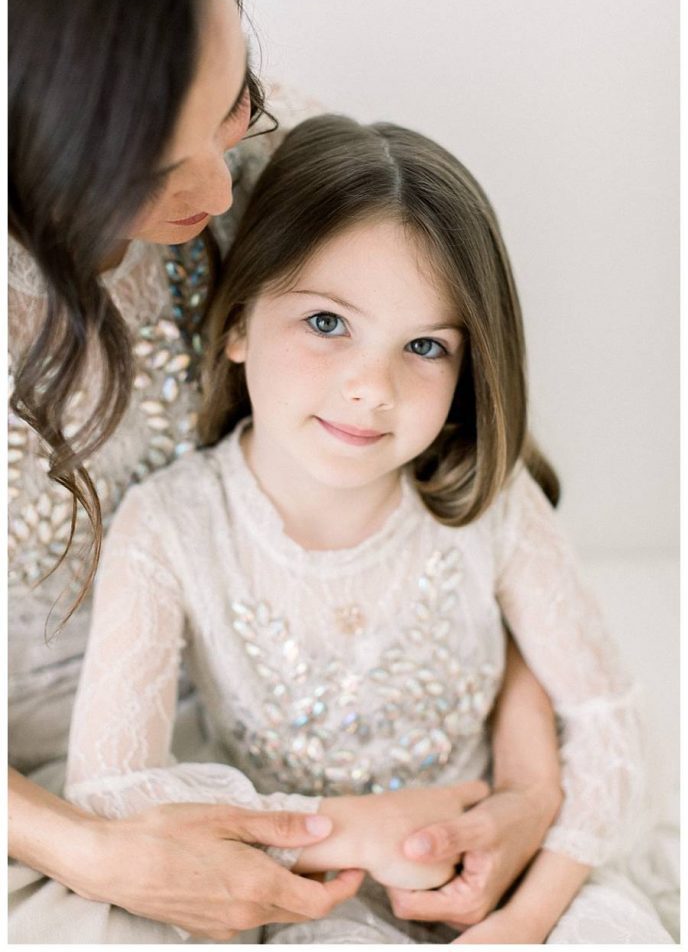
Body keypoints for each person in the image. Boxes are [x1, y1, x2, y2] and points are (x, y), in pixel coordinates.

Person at [8, 0, 563, 944]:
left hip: (350, 771)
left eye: (233, 105)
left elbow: (481, 492)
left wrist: (526, 789)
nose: (222, 194)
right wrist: (90, 848)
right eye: (149, 166)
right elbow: (111, 808)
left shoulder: (277, 163)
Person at [63, 114, 673, 944]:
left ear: (468, 369)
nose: (371, 387)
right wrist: (350, 828)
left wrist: (527, 917)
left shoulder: (486, 503)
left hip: (517, 873)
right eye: (326, 323)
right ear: (239, 322)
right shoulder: (170, 526)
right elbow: (111, 788)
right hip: (311, 894)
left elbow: (607, 713)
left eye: (424, 345)